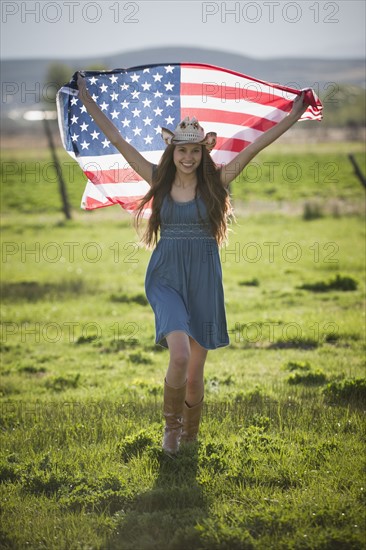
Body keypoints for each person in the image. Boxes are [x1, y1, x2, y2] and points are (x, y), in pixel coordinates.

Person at [76, 73, 308, 455]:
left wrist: (291, 117)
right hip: (166, 275)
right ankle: (170, 429)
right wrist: (88, 102)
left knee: (196, 372)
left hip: (204, 277)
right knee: (179, 355)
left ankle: (190, 437)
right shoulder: (158, 178)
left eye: (194, 151)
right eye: (181, 151)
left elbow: (256, 147)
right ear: (172, 152)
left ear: (204, 153)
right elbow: (119, 141)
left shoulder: (217, 182)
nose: (187, 157)